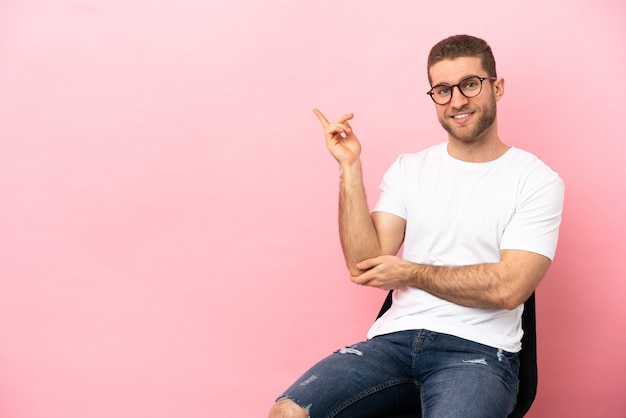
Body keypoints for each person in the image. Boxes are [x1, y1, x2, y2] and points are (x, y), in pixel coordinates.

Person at [268, 34, 564, 418]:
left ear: (497, 86)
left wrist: (409, 272)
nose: (457, 101)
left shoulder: (536, 180)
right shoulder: (410, 170)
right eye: (443, 90)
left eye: (470, 84)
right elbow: (365, 263)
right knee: (288, 412)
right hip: (393, 343)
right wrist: (350, 168)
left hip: (477, 352)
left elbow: (510, 288)